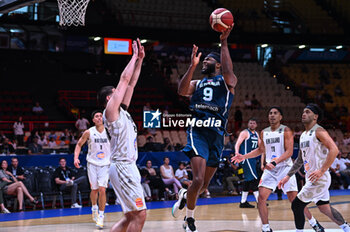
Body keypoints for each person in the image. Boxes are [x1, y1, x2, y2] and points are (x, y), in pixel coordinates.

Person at [172, 25, 236, 232]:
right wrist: (192, 66)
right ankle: (189, 219)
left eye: (208, 60)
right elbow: (182, 91)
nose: (204, 61)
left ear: (218, 64)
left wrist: (224, 42)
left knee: (203, 186)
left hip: (216, 136)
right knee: (198, 179)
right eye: (204, 59)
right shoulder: (198, 83)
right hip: (198, 131)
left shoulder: (227, 83)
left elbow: (228, 70)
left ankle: (184, 194)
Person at [232, 107, 324, 232]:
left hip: (285, 168)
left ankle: (314, 223)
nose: (272, 115)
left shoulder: (285, 130)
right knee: (261, 198)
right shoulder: (264, 132)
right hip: (271, 170)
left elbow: (289, 152)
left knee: (295, 200)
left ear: (280, 117)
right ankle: (265, 228)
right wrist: (244, 156)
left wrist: (275, 161)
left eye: (275, 113)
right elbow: (260, 150)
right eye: (270, 113)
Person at [98, 38, 146, 232]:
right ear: (109, 98)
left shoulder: (122, 111)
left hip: (128, 166)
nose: (121, 92)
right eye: (116, 92)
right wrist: (133, 56)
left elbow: (131, 84)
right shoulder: (110, 112)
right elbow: (124, 80)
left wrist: (140, 60)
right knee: (140, 214)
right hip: (122, 166)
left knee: (130, 216)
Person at [278, 104, 350, 232]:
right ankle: (346, 227)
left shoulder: (319, 130)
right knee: (324, 208)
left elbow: (334, 149)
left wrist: (322, 170)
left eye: (308, 112)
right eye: (303, 111)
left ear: (315, 116)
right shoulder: (303, 135)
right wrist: (287, 176)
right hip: (311, 177)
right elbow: (300, 160)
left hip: (319, 178)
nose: (303, 114)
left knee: (297, 205)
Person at [74, 110, 111, 228]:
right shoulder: (88, 132)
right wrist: (76, 158)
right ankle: (94, 207)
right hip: (92, 164)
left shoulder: (110, 132)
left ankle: (101, 216)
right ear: (93, 120)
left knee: (102, 189)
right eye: (97, 116)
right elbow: (79, 144)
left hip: (105, 164)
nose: (99, 118)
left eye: (101, 116)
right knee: (94, 190)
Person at [234, 118, 260, 208]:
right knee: (254, 179)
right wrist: (237, 152)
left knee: (248, 180)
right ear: (248, 124)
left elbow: (261, 147)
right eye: (250, 123)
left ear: (256, 125)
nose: (252, 124)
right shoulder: (244, 133)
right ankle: (259, 201)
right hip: (246, 158)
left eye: (254, 123)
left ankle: (243, 202)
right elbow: (237, 144)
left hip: (253, 159)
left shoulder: (257, 134)